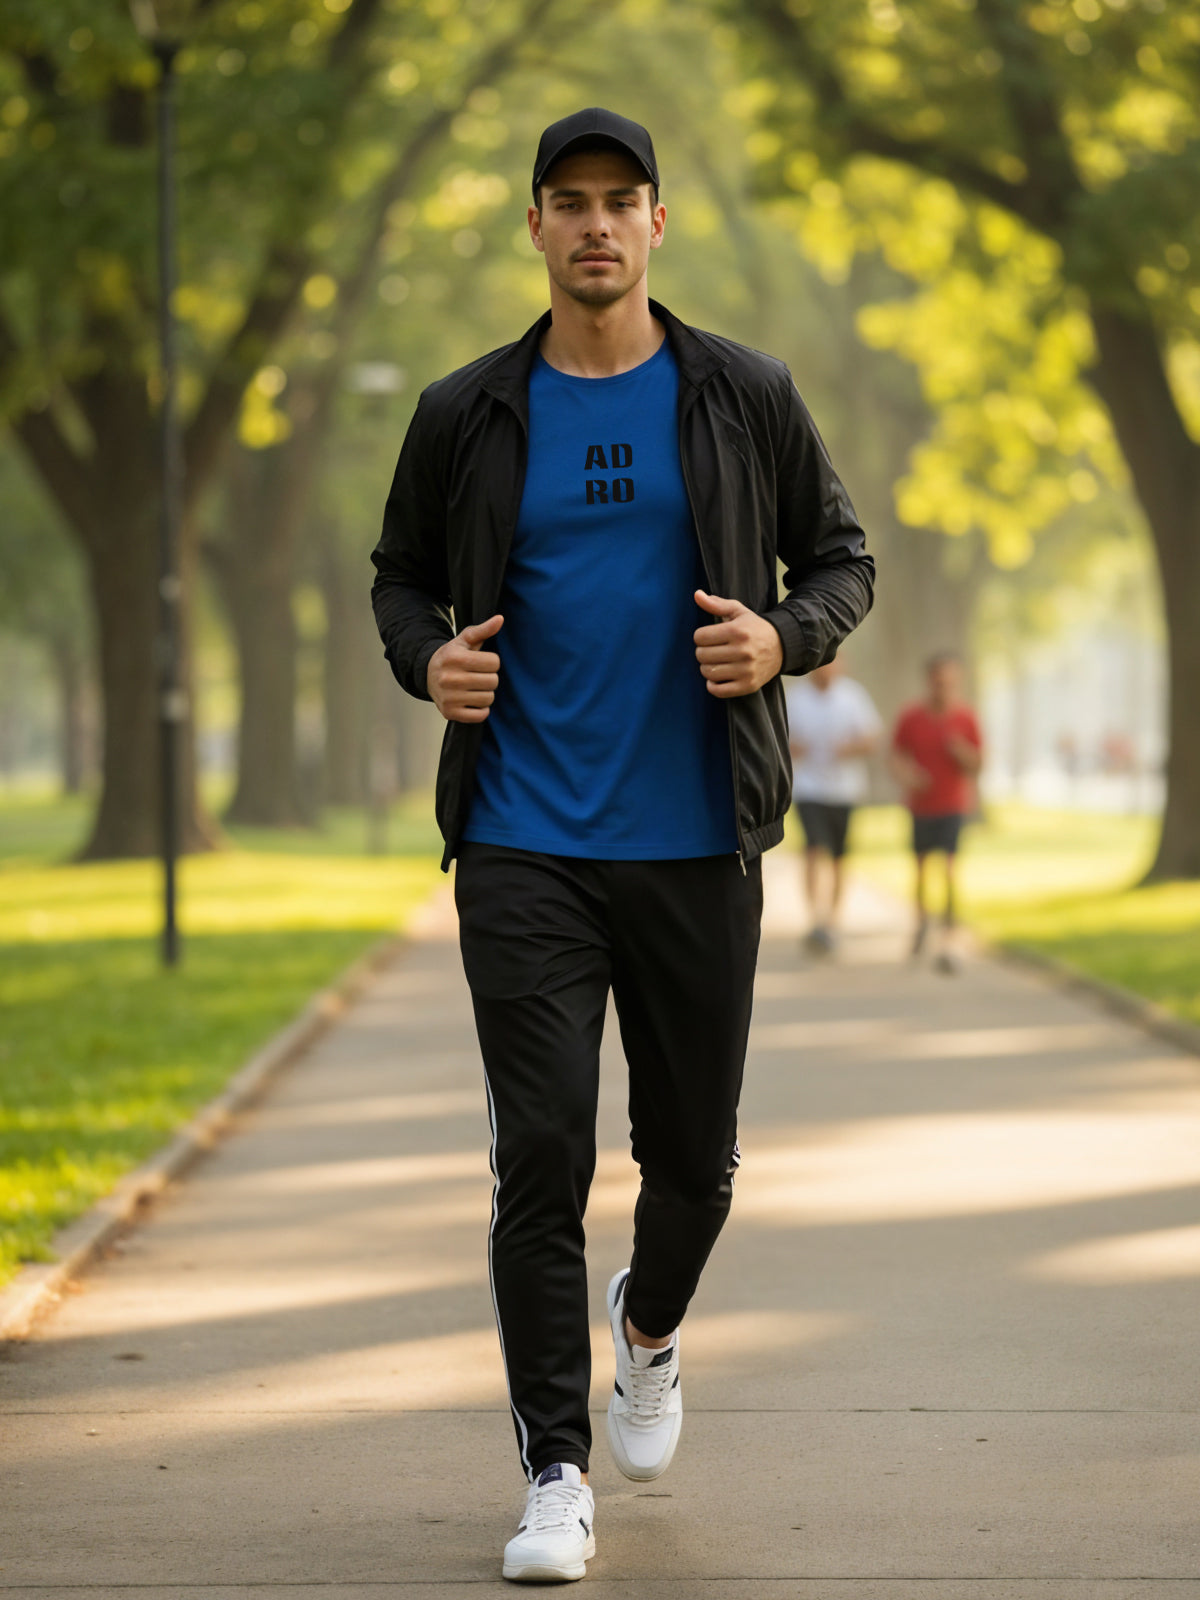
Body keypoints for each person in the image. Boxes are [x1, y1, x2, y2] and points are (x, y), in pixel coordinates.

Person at [370, 107, 874, 1583]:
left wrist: (785, 635)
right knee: (539, 1157)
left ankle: (647, 1333)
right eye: (568, 202)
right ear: (533, 227)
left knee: (696, 1164)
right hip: (524, 837)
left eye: (622, 201)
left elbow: (843, 559)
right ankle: (553, 1471)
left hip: (695, 837)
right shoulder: (467, 411)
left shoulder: (742, 396)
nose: (596, 225)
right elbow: (399, 578)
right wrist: (428, 665)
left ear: (658, 226)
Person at [889, 652, 983, 973]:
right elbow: (895, 756)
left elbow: (979, 764)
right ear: (929, 681)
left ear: (958, 682)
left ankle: (950, 933)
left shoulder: (966, 718)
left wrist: (961, 751)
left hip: (953, 804)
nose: (943, 688)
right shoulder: (911, 717)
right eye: (938, 682)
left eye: (950, 682)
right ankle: (920, 924)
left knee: (950, 869)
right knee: (920, 869)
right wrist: (909, 775)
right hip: (920, 806)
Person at [785, 658, 882, 953]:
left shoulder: (853, 696)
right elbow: (778, 739)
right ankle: (816, 920)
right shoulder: (795, 698)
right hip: (808, 787)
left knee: (839, 856)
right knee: (814, 848)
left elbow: (872, 739)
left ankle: (833, 921)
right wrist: (792, 749)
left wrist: (850, 748)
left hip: (844, 789)